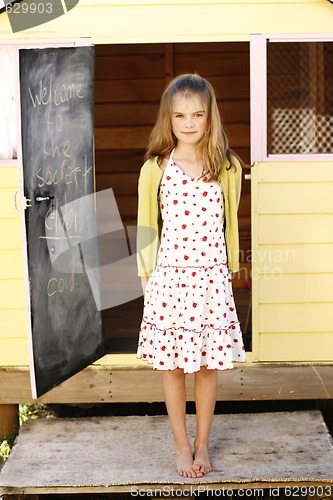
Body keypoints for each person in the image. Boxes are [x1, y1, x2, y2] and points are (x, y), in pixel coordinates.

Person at [136, 73, 246, 478]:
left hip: (211, 280)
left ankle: (203, 445)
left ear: (209, 117)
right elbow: (148, 225)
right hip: (169, 281)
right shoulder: (156, 167)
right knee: (172, 367)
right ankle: (181, 447)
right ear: (169, 118)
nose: (188, 123)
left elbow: (230, 223)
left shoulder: (227, 166)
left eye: (197, 114)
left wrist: (230, 271)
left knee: (205, 366)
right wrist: (147, 281)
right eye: (180, 115)